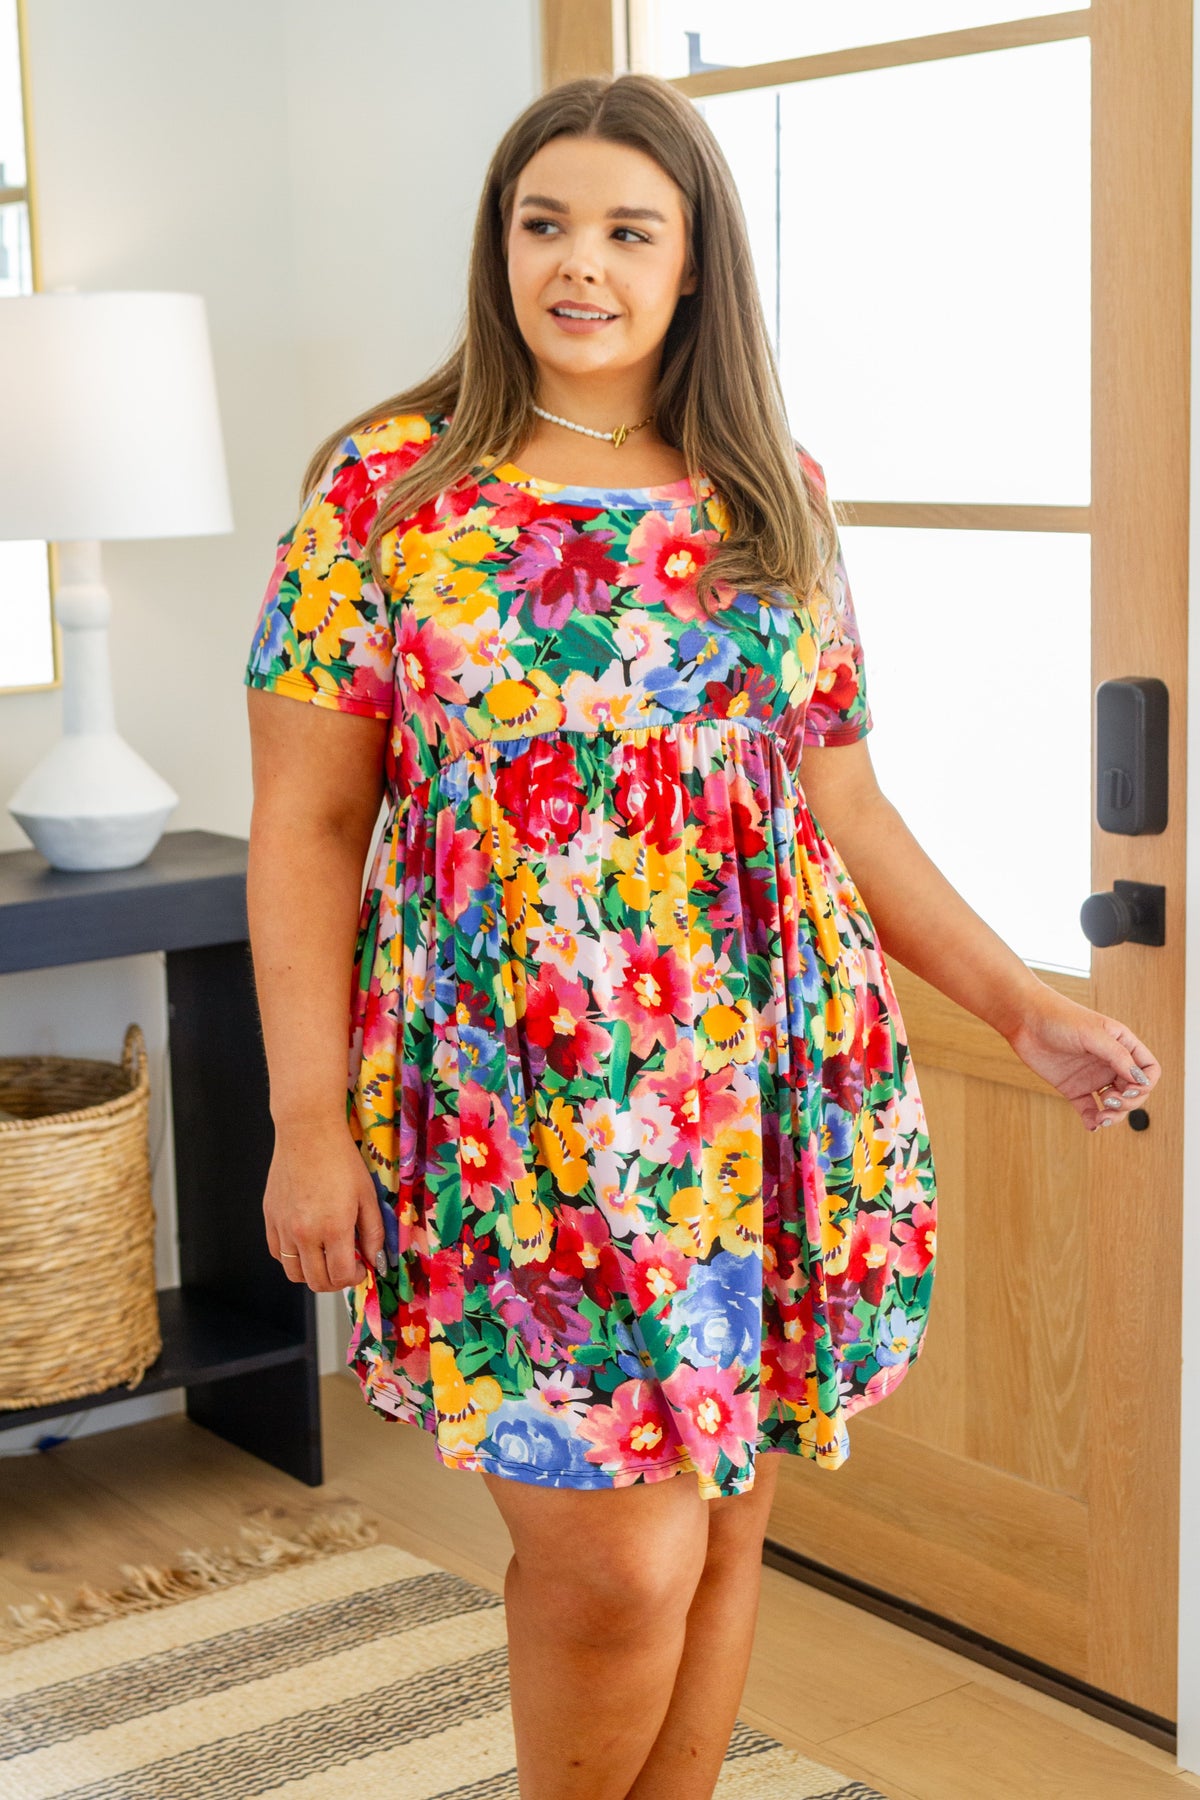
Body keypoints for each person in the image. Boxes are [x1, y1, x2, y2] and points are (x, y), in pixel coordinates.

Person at [243, 71, 1161, 1800]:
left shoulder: (768, 493)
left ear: (692, 265)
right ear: (498, 247)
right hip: (508, 1105)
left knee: (725, 1533)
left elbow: (844, 806)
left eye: (625, 231)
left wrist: (1018, 1006)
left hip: (758, 1087)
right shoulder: (386, 491)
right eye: (543, 225)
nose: (578, 265)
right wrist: (305, 1120)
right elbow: (303, 822)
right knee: (616, 1569)